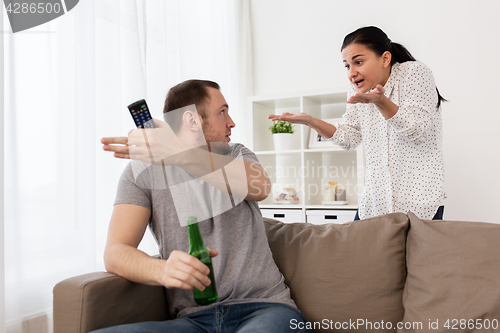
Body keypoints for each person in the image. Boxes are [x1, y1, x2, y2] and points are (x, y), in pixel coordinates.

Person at [94, 80, 311, 333]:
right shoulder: (141, 173)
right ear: (192, 120)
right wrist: (162, 270)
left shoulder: (236, 154)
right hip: (192, 320)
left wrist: (178, 152)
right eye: (222, 112)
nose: (231, 122)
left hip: (266, 309)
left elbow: (259, 187)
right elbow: (116, 252)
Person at [269, 26, 445, 221]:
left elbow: (417, 132)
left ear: (385, 59)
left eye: (358, 62)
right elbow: (349, 138)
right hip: (376, 202)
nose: (351, 73)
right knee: (355, 251)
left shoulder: (414, 73)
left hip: (418, 203)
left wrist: (380, 101)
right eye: (347, 66)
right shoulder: (357, 88)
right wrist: (311, 121)